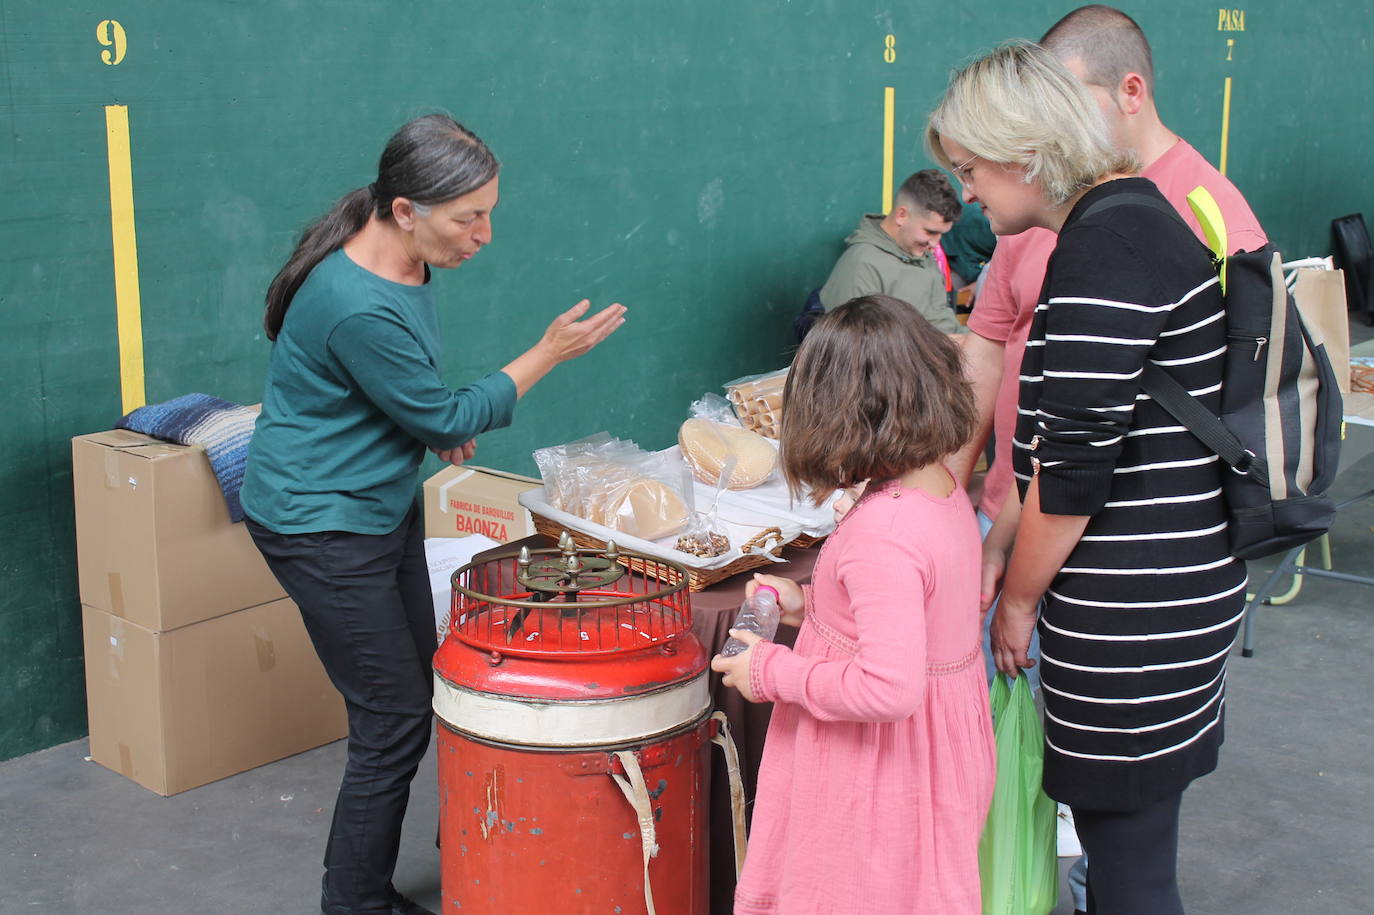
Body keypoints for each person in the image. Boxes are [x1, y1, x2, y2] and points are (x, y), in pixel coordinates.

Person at [240, 114, 625, 915]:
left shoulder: (400, 258)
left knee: (431, 685)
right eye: (468, 217)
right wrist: (542, 355)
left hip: (376, 505)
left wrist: (425, 418)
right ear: (405, 209)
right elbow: (442, 412)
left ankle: (445, 858)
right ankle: (353, 903)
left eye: (488, 211)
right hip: (322, 525)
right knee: (392, 722)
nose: (483, 234)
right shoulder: (354, 302)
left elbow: (415, 397)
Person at [928, 43, 1247, 915]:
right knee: (1125, 859)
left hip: (1130, 622)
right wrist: (998, 536)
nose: (966, 195)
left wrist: (1019, 601)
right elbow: (1058, 438)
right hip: (1168, 598)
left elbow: (1072, 473)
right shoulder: (1124, 226)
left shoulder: (1106, 248)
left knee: (1132, 872)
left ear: (1024, 152)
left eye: (970, 170)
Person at [711, 295, 995, 914]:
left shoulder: (882, 534)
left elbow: (888, 688)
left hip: (876, 773)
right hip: (934, 755)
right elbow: (903, 614)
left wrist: (768, 672)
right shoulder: (941, 488)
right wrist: (810, 606)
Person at [818, 170, 965, 333]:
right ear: (901, 215)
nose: (935, 243)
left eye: (941, 234)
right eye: (930, 232)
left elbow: (940, 320)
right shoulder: (861, 264)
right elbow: (852, 346)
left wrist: (962, 342)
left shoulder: (922, 254)